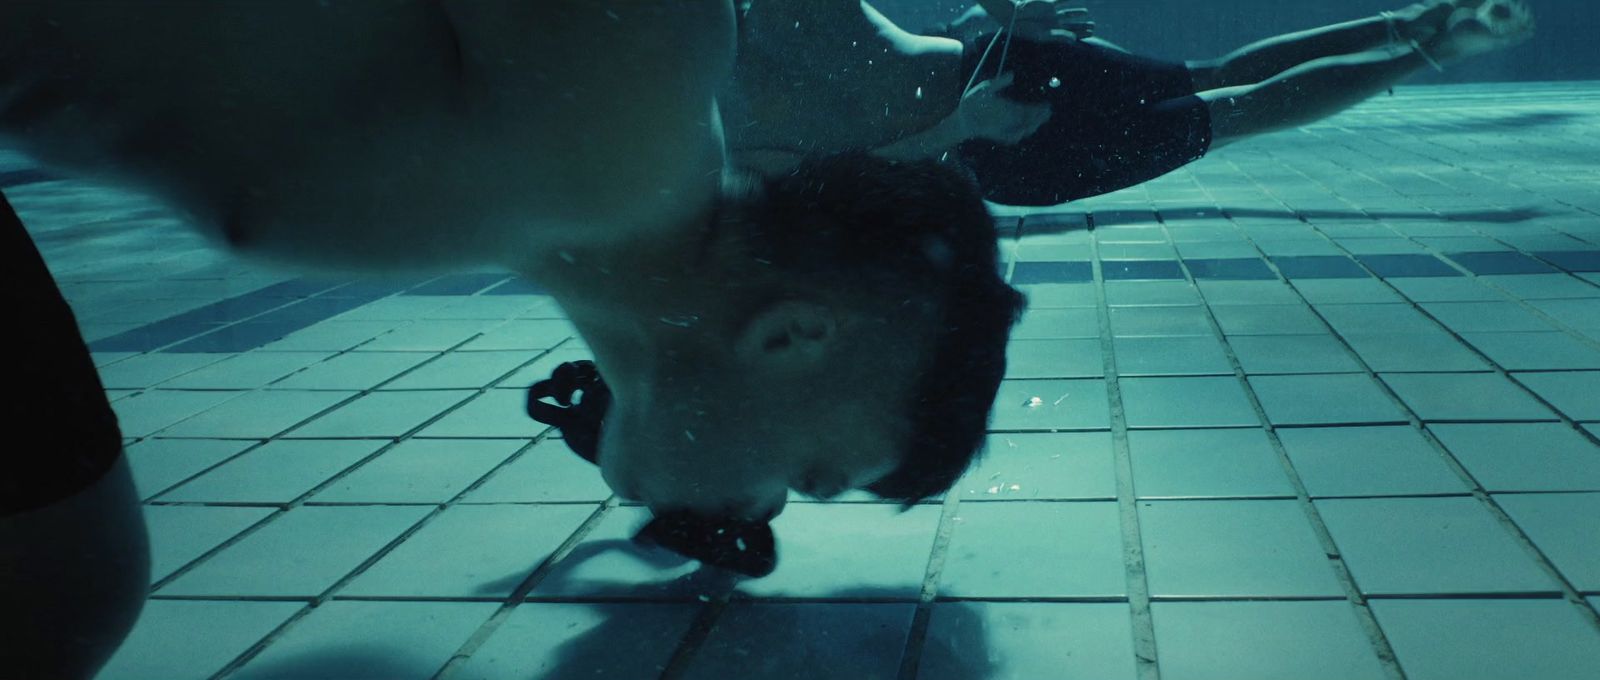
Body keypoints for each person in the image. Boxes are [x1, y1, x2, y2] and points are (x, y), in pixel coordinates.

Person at [1, 2, 1024, 675]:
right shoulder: (624, 87)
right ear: (793, 333)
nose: (757, 513)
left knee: (65, 586)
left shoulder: (566, 189)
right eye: (810, 470)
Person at [723, 0, 1537, 204]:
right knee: (1228, 108)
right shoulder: (700, 128)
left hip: (1004, 63)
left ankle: (1416, 24)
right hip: (996, 152)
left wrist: (998, 10)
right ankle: (1437, 42)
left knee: (1214, 82)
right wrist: (959, 123)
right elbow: (827, 183)